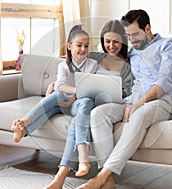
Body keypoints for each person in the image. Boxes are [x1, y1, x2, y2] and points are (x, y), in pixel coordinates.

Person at [78, 9, 172, 189]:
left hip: (164, 101)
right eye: (128, 36)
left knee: (139, 115)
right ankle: (108, 181)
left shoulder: (168, 45)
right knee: (98, 114)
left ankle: (101, 177)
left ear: (148, 28)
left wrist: (138, 104)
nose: (132, 40)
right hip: (132, 101)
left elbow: (164, 82)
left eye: (135, 34)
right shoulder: (133, 52)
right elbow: (102, 57)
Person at [45, 19, 133, 189]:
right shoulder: (94, 56)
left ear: (123, 42)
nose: (111, 45)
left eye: (116, 41)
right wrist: (55, 82)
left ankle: (60, 177)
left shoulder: (127, 65)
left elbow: (127, 92)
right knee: (78, 119)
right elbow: (70, 62)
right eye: (107, 41)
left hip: (108, 106)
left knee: (77, 121)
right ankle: (60, 177)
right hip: (86, 101)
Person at [11, 24, 98, 179]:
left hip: (77, 104)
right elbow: (60, 85)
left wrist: (73, 95)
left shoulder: (92, 64)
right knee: (56, 96)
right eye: (79, 45)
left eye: (86, 46)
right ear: (70, 46)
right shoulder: (63, 65)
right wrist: (72, 91)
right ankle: (24, 124)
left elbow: (86, 89)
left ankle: (83, 158)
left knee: (85, 102)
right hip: (62, 101)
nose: (83, 49)